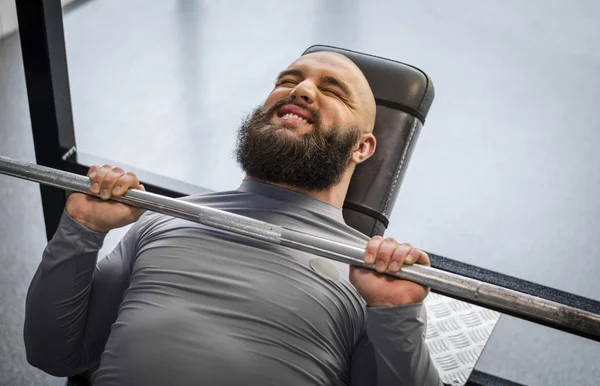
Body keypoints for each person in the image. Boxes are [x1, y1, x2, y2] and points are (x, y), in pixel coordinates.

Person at [23, 51, 442, 385]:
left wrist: (396, 315)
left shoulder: (367, 278)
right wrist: (82, 227)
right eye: (288, 80)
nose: (302, 90)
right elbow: (53, 353)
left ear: (363, 148)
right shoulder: (166, 221)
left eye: (333, 90)